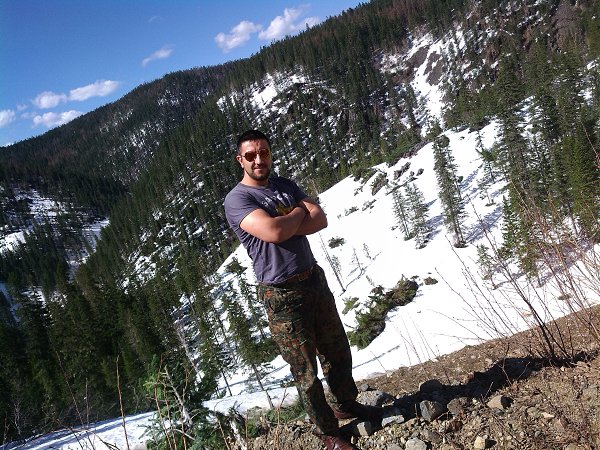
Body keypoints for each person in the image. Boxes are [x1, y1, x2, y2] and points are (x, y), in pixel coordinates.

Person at [224, 130, 383, 450]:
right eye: (251, 155)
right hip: (281, 293)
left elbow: (320, 219)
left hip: (313, 278)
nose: (259, 160)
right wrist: (297, 212)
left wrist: (289, 221)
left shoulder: (285, 185)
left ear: (270, 153)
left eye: (264, 152)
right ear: (240, 160)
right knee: (305, 369)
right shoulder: (238, 199)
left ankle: (345, 403)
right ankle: (328, 433)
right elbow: (273, 231)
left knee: (336, 349)